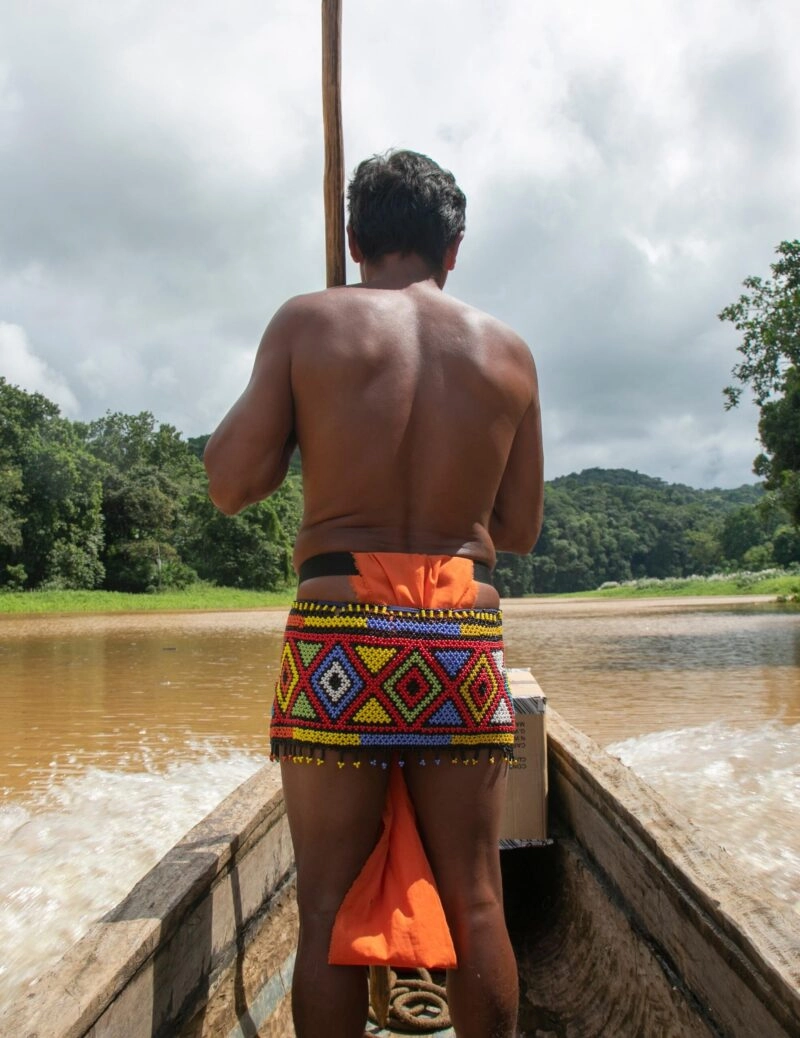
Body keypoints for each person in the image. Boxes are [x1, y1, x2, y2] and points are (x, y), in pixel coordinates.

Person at [204, 149, 543, 1038]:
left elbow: (230, 483)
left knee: (325, 906)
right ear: (453, 250)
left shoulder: (306, 322)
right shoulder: (508, 352)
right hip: (458, 637)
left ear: (354, 240)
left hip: (342, 633)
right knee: (475, 902)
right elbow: (518, 528)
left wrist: (303, 410)